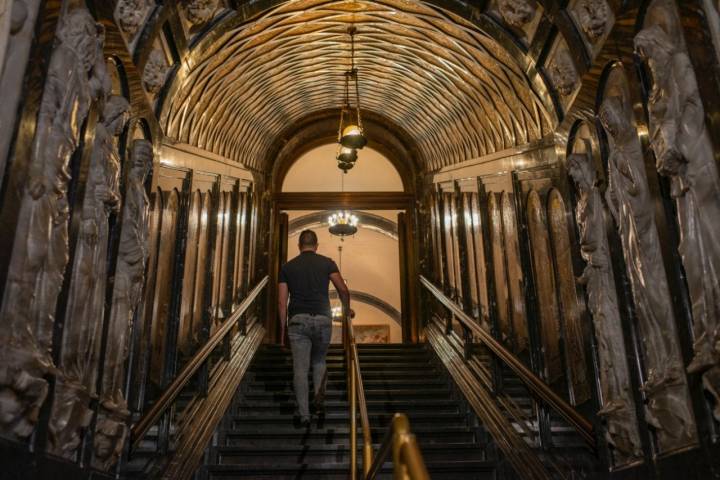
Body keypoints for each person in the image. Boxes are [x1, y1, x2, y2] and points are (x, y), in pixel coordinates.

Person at [278, 230, 352, 426]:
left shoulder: (287, 267)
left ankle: (304, 415)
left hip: (298, 320)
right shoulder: (327, 262)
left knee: (300, 369)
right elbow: (343, 289)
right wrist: (346, 310)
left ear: (299, 246)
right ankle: (319, 399)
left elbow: (281, 302)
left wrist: (282, 331)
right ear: (316, 245)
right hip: (322, 319)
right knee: (319, 361)